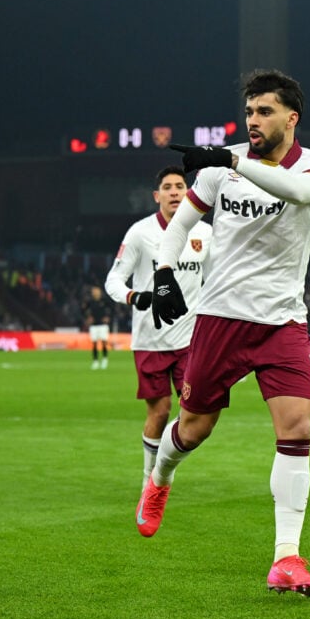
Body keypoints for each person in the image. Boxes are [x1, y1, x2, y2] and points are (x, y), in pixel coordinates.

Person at [136, 69, 310, 597]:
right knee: (194, 429)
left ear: (291, 118)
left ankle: (286, 558)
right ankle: (159, 480)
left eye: (264, 111)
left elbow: (295, 191)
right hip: (221, 318)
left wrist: (230, 160)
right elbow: (181, 224)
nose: (252, 121)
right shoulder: (220, 166)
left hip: (283, 322)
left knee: (297, 429)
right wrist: (162, 273)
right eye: (248, 112)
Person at [104, 165, 212, 488]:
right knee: (160, 411)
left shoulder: (204, 233)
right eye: (168, 187)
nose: (175, 191)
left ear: (190, 191)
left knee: (196, 416)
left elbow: (218, 277)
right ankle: (149, 479)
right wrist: (133, 296)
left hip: (190, 340)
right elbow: (113, 279)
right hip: (150, 340)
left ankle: (165, 464)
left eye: (181, 185)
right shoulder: (140, 233)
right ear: (157, 196)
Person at [83, 285, 111, 370]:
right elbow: (83, 310)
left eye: (96, 291)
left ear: (99, 292)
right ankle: (95, 361)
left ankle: (105, 359)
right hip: (94, 325)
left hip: (103, 325)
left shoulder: (104, 301)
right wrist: (87, 318)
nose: (94, 292)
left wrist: (108, 317)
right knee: (94, 344)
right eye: (93, 291)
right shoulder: (90, 302)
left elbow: (111, 309)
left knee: (104, 342)